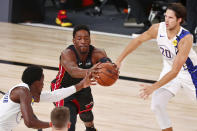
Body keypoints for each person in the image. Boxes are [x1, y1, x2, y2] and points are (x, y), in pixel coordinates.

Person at [116, 3, 197, 131]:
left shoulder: (186, 38)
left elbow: (176, 71)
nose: (166, 20)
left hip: (190, 73)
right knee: (157, 105)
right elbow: (138, 40)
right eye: (166, 16)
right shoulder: (157, 29)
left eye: (171, 18)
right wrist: (119, 60)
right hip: (169, 67)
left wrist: (153, 87)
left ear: (179, 20)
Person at [51, 24, 113, 131]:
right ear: (74, 41)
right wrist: (90, 72)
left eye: (86, 38)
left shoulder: (97, 52)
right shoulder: (67, 53)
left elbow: (105, 61)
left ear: (90, 40)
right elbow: (73, 71)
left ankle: (90, 129)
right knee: (70, 119)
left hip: (83, 86)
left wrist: (111, 68)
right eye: (79, 38)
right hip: (63, 88)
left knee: (87, 114)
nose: (83, 41)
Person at [0, 65, 96, 131]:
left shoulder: (28, 92)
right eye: (42, 81)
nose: (43, 85)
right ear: (36, 83)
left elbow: (54, 96)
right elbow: (30, 122)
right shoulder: (23, 92)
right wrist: (54, 125)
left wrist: (81, 85)